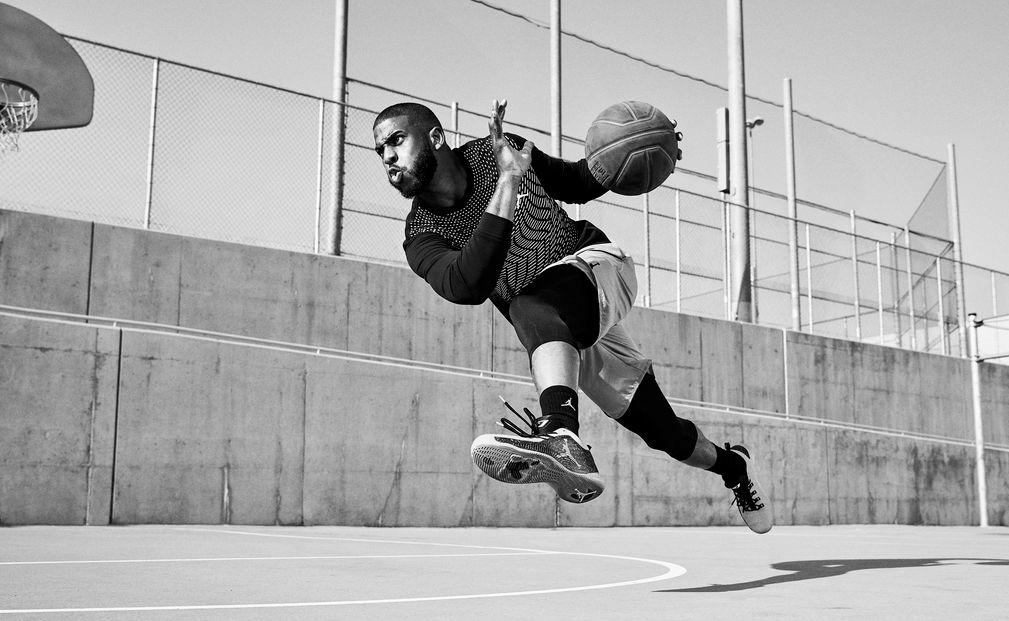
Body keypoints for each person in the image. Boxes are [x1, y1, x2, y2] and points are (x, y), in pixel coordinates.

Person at [372, 99, 772, 533]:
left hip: (596, 268)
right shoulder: (422, 235)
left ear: (435, 138)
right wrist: (509, 183)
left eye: (396, 141)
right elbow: (467, 286)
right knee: (664, 433)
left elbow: (579, 181)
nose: (389, 157)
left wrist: (643, 147)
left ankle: (560, 430)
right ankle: (734, 467)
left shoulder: (499, 151)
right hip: (558, 330)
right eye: (380, 152)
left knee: (526, 300)